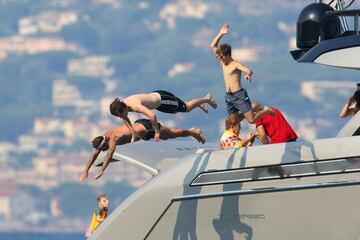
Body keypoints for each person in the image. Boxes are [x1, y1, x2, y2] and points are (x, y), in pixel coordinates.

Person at [79, 119, 205, 181]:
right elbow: (94, 155)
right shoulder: (104, 138)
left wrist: (102, 170)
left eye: (103, 148)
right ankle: (191, 132)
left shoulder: (113, 139)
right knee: (168, 137)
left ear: (105, 142)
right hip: (141, 131)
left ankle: (192, 132)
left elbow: (109, 154)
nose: (104, 150)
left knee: (172, 134)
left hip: (146, 127)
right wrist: (86, 170)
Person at [210, 23, 275, 123]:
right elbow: (212, 46)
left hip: (239, 95)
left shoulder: (235, 64)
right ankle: (252, 107)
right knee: (233, 122)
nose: (220, 59)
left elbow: (248, 70)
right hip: (229, 96)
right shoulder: (223, 62)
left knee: (251, 120)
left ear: (227, 55)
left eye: (222, 56)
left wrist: (248, 75)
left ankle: (265, 110)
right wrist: (221, 33)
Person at [109, 91, 217, 143]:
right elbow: (125, 119)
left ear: (123, 109)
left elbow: (152, 115)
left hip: (163, 100)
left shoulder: (135, 106)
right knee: (179, 109)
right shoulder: (123, 109)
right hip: (159, 105)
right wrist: (132, 132)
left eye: (120, 114)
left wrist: (156, 132)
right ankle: (197, 104)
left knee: (187, 107)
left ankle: (206, 98)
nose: (121, 117)